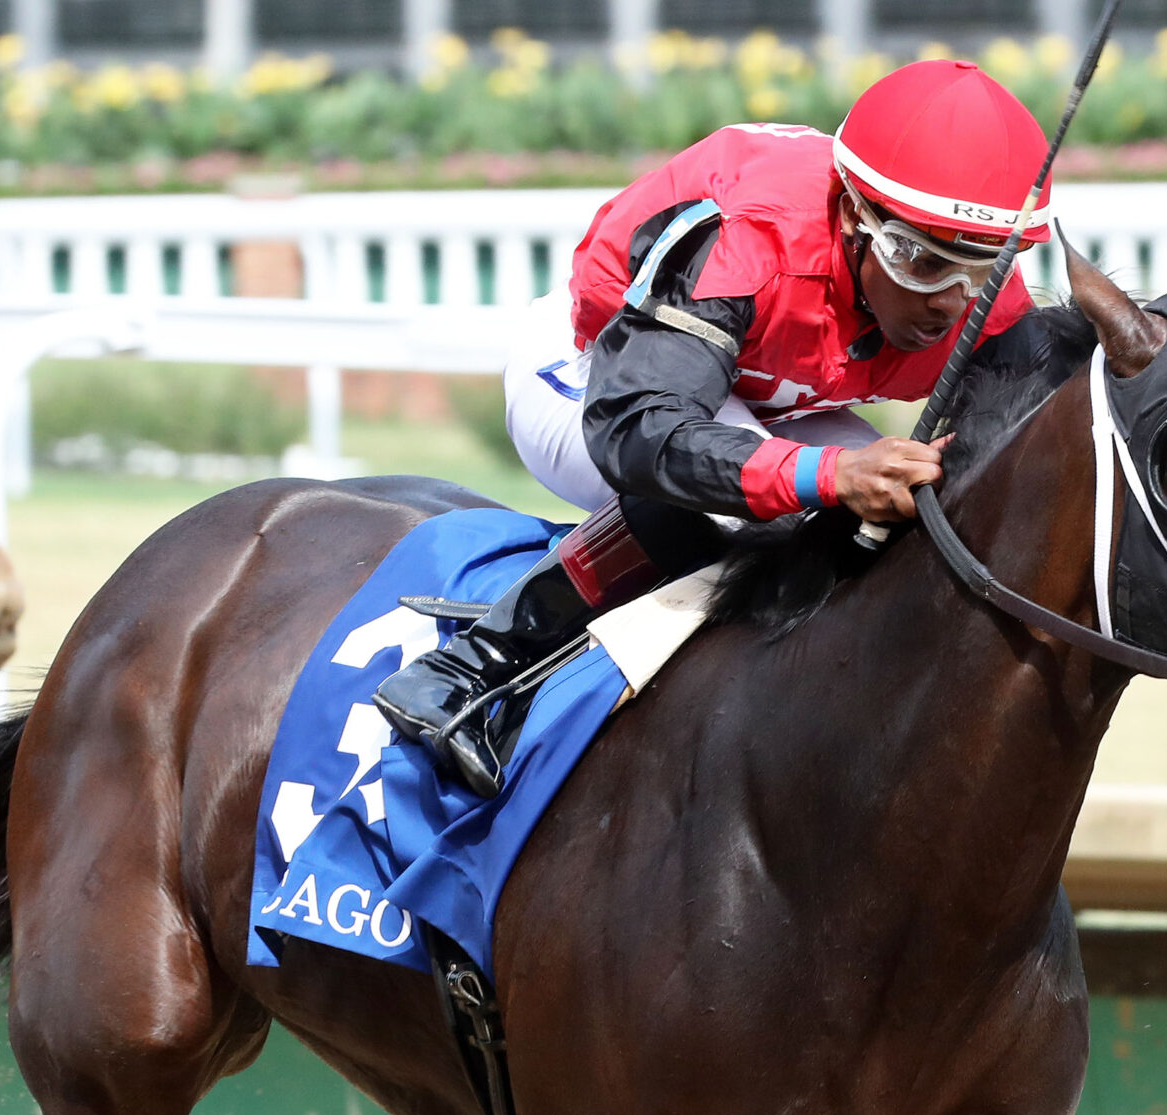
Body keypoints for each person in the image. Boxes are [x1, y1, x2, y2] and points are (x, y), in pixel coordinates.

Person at [376, 59, 1053, 794]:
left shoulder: (985, 300)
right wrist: (829, 476)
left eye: (981, 270)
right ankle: (469, 669)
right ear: (856, 216)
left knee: (911, 519)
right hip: (600, 379)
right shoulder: (748, 245)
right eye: (920, 263)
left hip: (758, 396)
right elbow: (641, 432)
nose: (950, 304)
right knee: (764, 503)